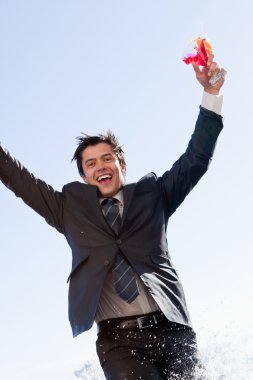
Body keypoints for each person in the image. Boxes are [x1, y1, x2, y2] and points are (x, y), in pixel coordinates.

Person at [0, 56, 225, 379]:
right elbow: (18, 179)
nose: (100, 166)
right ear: (84, 176)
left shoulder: (155, 196)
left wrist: (212, 94)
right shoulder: (67, 210)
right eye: (90, 163)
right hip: (120, 342)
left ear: (122, 166)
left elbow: (196, 159)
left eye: (107, 158)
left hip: (173, 327)